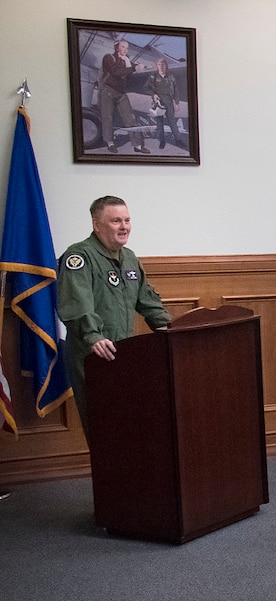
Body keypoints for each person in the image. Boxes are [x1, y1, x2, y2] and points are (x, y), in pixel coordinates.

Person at [57, 195, 171, 426]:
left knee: (125, 422)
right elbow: (78, 303)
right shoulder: (79, 256)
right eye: (116, 221)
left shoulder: (129, 258)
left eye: (127, 220)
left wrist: (173, 329)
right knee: (102, 423)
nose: (124, 227)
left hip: (125, 352)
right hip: (93, 352)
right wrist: (93, 335)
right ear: (97, 225)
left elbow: (147, 301)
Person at [97, 38, 147, 154]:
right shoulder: (109, 58)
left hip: (121, 92)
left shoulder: (126, 61)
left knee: (130, 118)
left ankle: (138, 146)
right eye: (123, 46)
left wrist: (141, 66)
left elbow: (130, 68)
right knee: (107, 118)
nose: (126, 49)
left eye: (127, 47)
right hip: (107, 91)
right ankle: (110, 143)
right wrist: (134, 68)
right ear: (117, 47)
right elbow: (116, 71)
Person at [148, 56, 181, 150]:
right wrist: (153, 94)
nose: (161, 66)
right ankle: (162, 142)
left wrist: (177, 102)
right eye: (159, 64)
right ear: (156, 66)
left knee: (172, 122)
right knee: (159, 123)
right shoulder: (153, 77)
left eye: (163, 64)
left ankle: (178, 140)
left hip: (169, 101)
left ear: (166, 66)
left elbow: (176, 90)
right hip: (159, 102)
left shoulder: (171, 77)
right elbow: (146, 88)